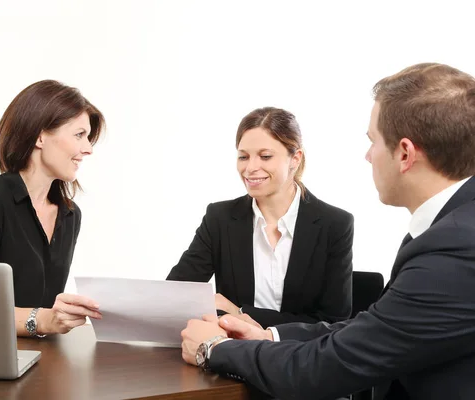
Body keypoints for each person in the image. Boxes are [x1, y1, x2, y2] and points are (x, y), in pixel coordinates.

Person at [181, 63, 475, 399]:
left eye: (373, 141)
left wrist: (214, 348)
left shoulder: (454, 248)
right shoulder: (446, 229)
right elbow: (370, 330)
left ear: (404, 153)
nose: (368, 156)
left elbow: (329, 366)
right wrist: (269, 336)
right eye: (243, 156)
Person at [167, 107, 354, 329]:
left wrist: (240, 313)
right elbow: (175, 297)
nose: (250, 168)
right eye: (243, 156)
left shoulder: (335, 224)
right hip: (233, 354)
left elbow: (333, 324)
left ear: (295, 158)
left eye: (265, 156)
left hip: (301, 357)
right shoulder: (220, 219)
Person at [0, 80, 105, 338]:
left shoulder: (69, 214)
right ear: (40, 136)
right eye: (79, 135)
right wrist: (43, 319)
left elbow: (46, 313)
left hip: (40, 358)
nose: (87, 149)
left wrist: (64, 315)